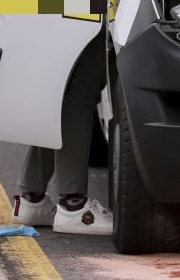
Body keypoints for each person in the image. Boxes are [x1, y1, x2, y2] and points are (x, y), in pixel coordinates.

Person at [10, 47, 112, 235]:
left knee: (61, 86)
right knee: (82, 83)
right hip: (88, 18)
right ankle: (73, 206)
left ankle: (32, 199)